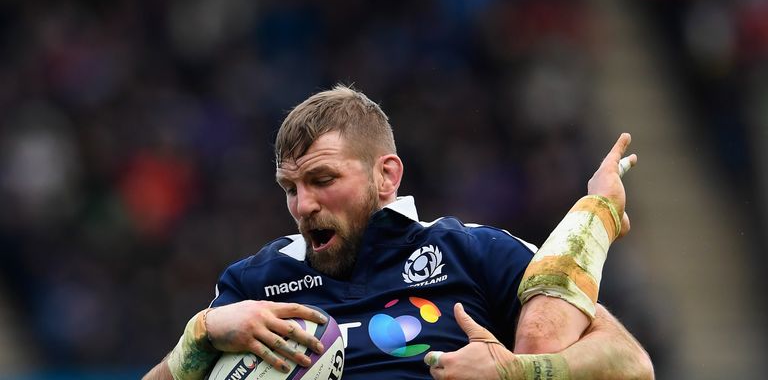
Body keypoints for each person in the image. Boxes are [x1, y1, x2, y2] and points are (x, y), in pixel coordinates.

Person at [144, 85, 653, 380]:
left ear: (386, 175)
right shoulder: (256, 284)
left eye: (322, 180)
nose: (303, 205)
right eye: (290, 188)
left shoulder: (472, 251)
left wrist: (518, 373)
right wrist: (202, 333)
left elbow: (631, 364)